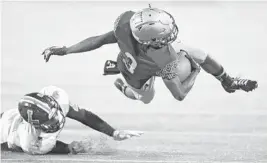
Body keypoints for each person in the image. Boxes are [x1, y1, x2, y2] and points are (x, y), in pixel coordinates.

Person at [41, 7, 258, 104]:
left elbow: (98, 40)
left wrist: (66, 49)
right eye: (165, 34)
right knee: (144, 97)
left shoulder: (127, 25)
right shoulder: (166, 59)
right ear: (152, 40)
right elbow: (180, 95)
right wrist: (195, 73)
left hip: (135, 59)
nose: (170, 32)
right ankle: (122, 84)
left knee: (198, 52)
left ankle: (227, 81)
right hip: (137, 76)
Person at [0, 85, 143, 155]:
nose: (56, 120)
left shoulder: (57, 99)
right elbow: (46, 148)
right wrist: (68, 148)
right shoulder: (28, 141)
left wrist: (114, 133)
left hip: (8, 117)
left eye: (55, 114)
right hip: (5, 136)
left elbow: (83, 115)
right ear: (36, 125)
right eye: (50, 121)